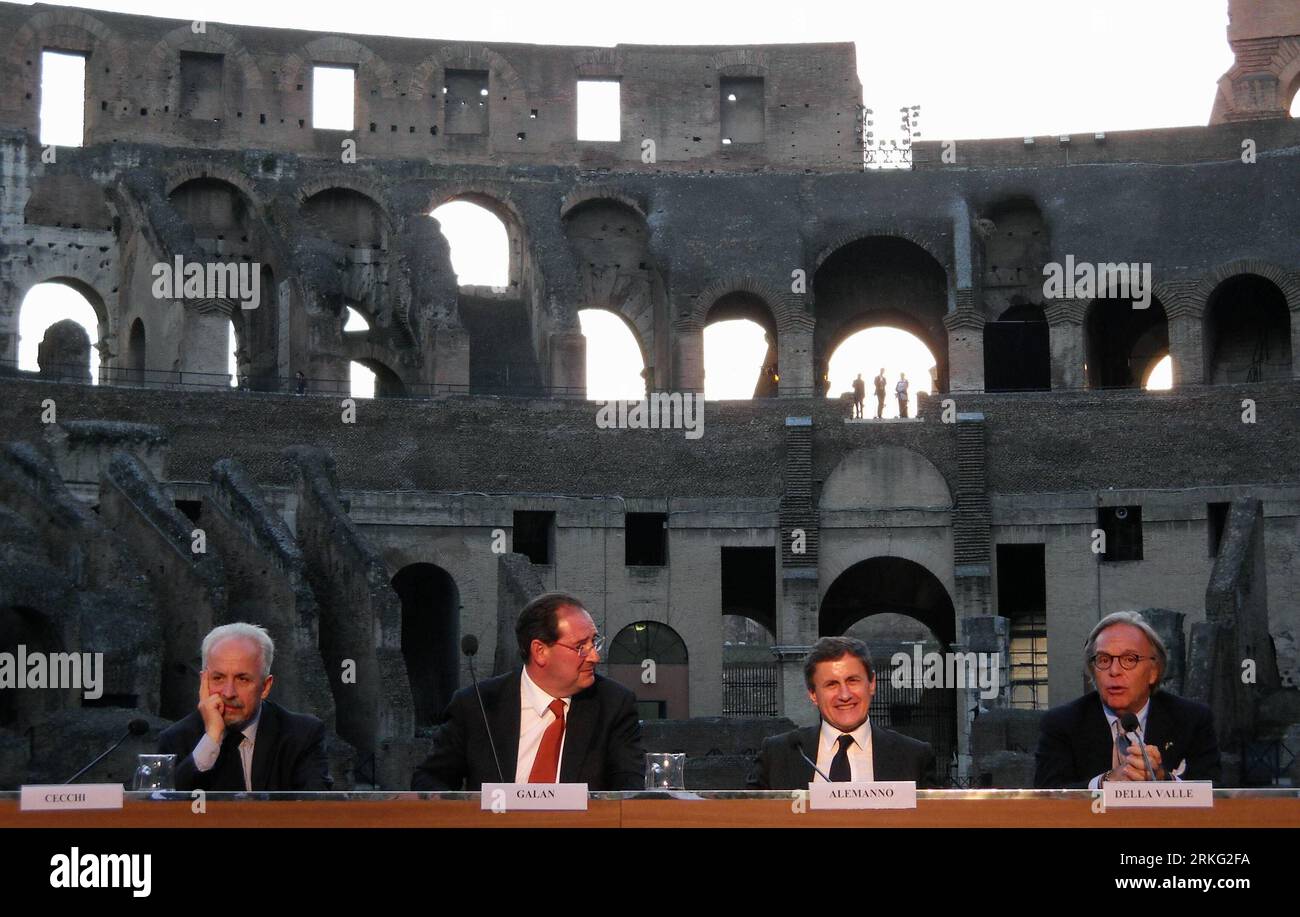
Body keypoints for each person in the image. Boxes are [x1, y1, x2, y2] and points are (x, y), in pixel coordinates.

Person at [411, 592, 644, 790]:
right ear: (540, 651)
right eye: (580, 647)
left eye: (594, 642)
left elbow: (629, 792)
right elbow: (429, 780)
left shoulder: (614, 704)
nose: (595, 656)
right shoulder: (477, 704)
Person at [1034, 611, 1220, 788]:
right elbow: (1047, 797)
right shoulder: (1061, 724)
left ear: (1153, 672)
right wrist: (1106, 782)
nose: (1114, 671)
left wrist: (1163, 778)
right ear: (1093, 670)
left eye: (1130, 659)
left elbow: (1216, 797)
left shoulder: (1192, 720)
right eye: (1104, 660)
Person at [158, 623, 331, 791]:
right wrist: (212, 739)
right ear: (203, 681)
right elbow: (166, 811)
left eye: (243, 679)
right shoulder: (175, 739)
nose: (228, 693)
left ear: (265, 687)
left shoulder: (302, 735)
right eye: (218, 678)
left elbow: (317, 809)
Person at [747, 636, 936, 789]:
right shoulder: (778, 755)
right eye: (831, 684)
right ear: (813, 694)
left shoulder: (914, 756)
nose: (844, 695)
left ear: (871, 684)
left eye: (853, 681)